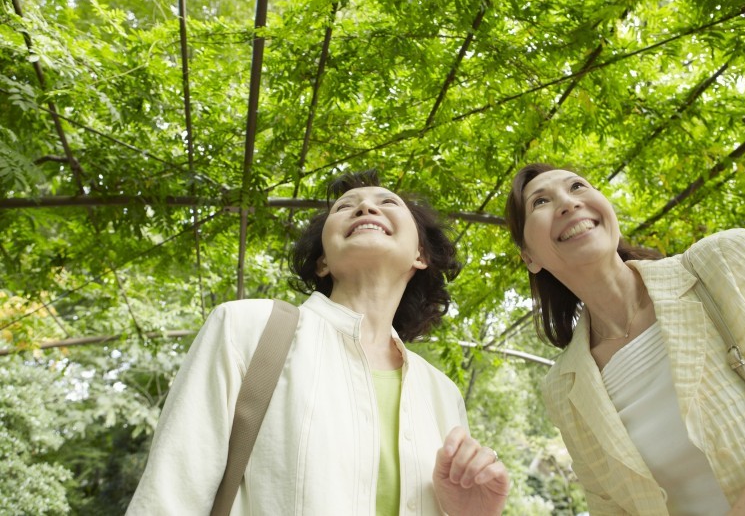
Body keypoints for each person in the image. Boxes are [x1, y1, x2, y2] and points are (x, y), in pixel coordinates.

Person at [128, 170, 509, 515]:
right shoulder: (246, 328)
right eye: (346, 207)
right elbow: (170, 494)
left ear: (420, 255)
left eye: (387, 202)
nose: (365, 207)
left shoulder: (442, 394)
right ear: (323, 262)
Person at [504, 162, 745, 515]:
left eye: (577, 187)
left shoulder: (725, 261)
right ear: (529, 257)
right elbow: (610, 507)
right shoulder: (564, 388)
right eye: (540, 202)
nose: (568, 203)